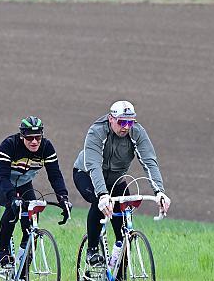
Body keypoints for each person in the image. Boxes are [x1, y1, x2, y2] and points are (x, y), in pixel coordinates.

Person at [73, 101, 171, 266]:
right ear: (111, 119)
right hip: (87, 174)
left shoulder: (137, 132)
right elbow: (94, 165)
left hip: (116, 179)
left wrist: (159, 192)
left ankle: (119, 279)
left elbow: (149, 162)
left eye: (130, 122)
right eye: (121, 122)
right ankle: (92, 251)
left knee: (124, 228)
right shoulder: (97, 131)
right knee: (99, 203)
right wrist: (103, 194)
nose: (126, 127)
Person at [0, 116, 71, 267]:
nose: (34, 141)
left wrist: (63, 198)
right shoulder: (10, 145)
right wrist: (12, 197)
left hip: (23, 183)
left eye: (38, 137)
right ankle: (3, 249)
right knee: (13, 207)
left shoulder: (46, 147)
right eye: (30, 138)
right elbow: (3, 177)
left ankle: (24, 263)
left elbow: (55, 176)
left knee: (32, 216)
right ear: (22, 136)